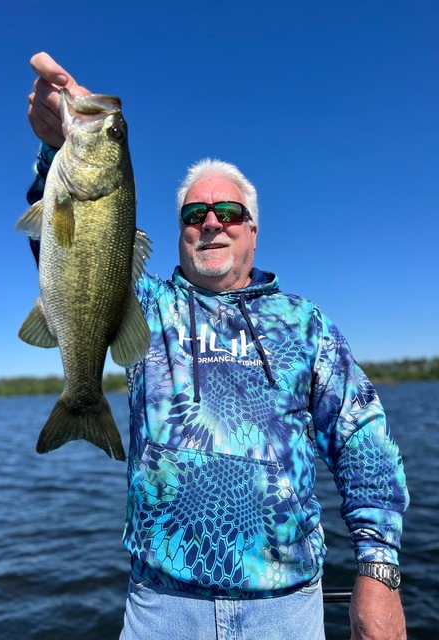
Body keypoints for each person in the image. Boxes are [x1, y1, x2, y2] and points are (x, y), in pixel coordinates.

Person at [25, 52, 409, 640]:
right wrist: (58, 148)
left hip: (286, 608)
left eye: (228, 212)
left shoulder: (307, 324)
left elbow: (364, 442)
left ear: (253, 229)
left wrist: (378, 573)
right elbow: (72, 260)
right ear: (178, 229)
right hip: (160, 607)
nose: (211, 223)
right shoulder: (147, 304)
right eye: (194, 213)